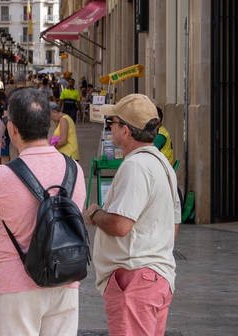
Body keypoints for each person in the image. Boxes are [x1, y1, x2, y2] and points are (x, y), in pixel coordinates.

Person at [0, 88, 86, 336]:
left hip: (16, 286)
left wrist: (1, 215)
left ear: (12, 129)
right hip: (64, 280)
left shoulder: (4, 175)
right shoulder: (74, 170)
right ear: (47, 125)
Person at [85, 94, 181, 336]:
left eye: (112, 123)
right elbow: (174, 223)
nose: (111, 128)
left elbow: (120, 225)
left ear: (126, 131)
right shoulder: (161, 164)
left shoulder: (136, 166)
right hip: (155, 276)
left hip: (136, 278)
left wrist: (95, 213)